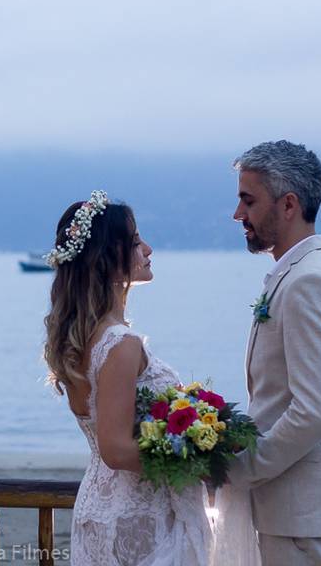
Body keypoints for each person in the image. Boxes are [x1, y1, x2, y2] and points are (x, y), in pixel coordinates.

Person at [42, 190, 211, 565]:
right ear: (108, 259)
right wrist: (196, 456)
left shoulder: (85, 340)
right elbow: (116, 449)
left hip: (99, 506)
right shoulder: (120, 344)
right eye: (135, 242)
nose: (148, 249)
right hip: (139, 516)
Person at [230, 141, 321, 565]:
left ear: (288, 204)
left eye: (248, 200)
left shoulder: (309, 282)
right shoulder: (305, 274)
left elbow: (315, 412)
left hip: (305, 516)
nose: (238, 214)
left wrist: (240, 471)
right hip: (300, 513)